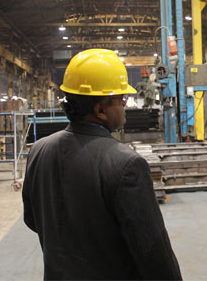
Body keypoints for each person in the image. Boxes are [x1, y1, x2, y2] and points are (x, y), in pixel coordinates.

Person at [22, 49, 181, 280]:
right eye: (120, 99)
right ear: (100, 110)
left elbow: (33, 220)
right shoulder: (125, 164)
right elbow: (154, 256)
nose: (125, 104)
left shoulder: (39, 150)